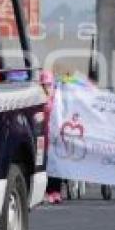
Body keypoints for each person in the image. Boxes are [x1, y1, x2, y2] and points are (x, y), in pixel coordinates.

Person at [40, 70, 63, 204]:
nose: (46, 87)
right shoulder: (39, 99)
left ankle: (56, 192)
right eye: (44, 85)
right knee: (44, 166)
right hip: (43, 137)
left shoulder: (57, 98)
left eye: (48, 85)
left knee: (56, 165)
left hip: (55, 137)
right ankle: (46, 191)